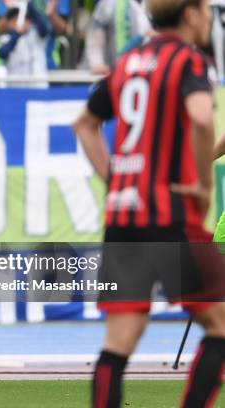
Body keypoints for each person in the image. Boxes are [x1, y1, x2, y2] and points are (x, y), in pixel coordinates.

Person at [73, 0, 225, 406]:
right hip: (171, 215)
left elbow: (84, 125)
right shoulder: (189, 61)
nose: (210, 18)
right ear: (191, 14)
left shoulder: (129, 61)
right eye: (207, 10)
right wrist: (203, 187)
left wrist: (115, 178)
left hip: (123, 215)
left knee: (120, 339)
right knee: (221, 325)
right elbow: (202, 116)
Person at [84, 0, 152, 75]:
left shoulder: (146, 6)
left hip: (136, 74)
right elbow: (94, 41)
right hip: (109, 75)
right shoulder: (108, 4)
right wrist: (97, 64)